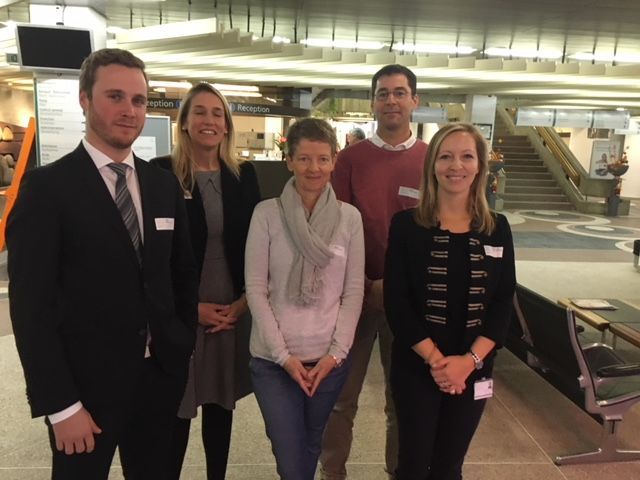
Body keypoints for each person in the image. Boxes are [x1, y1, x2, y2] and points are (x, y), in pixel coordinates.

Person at [6, 48, 199, 479]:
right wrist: (60, 404)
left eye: (138, 100)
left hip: (158, 381)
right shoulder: (47, 190)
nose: (129, 111)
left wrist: (180, 344)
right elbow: (31, 309)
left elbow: (181, 274)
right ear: (84, 99)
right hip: (83, 392)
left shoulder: (162, 184)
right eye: (115, 96)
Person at [384, 122, 516, 480]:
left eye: (466, 156)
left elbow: (503, 302)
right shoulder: (406, 226)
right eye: (446, 156)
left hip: (475, 369)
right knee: (412, 465)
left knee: (449, 467)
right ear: (432, 166)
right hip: (417, 367)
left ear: (479, 165)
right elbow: (397, 302)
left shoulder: (497, 228)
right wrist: (440, 363)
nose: (456, 166)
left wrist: (468, 363)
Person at [320, 64, 427, 480]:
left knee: (402, 401)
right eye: (383, 93)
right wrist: (365, 285)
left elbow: (435, 234)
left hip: (410, 303)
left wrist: (396, 287)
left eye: (400, 93)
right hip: (354, 299)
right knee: (340, 399)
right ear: (373, 102)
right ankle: (333, 473)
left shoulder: (431, 161)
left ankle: (398, 472)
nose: (391, 101)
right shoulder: (348, 161)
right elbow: (334, 231)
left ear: (414, 100)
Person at [150, 82, 261, 480]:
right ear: (183, 123)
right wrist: (189, 309)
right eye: (199, 112)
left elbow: (256, 244)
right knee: (178, 405)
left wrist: (244, 302)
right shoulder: (160, 174)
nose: (209, 121)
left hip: (231, 304)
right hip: (184, 307)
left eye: (217, 113)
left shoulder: (243, 175)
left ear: (227, 125)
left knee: (220, 402)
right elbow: (154, 254)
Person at [245, 117, 365, 480]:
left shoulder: (349, 218)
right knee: (289, 452)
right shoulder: (267, 214)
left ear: (334, 161)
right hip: (274, 362)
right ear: (289, 161)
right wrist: (283, 357)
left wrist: (336, 354)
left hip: (328, 361)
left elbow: (353, 290)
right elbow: (255, 288)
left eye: (323, 159)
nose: (314, 168)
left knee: (313, 443)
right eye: (304, 159)